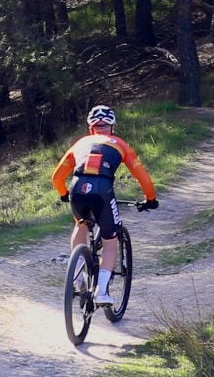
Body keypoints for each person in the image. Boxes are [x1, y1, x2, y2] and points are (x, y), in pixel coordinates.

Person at [50, 105, 158, 306]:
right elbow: (142, 176)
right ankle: (101, 292)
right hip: (102, 190)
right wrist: (150, 198)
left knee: (81, 224)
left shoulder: (80, 143)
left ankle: (77, 278)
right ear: (112, 127)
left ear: (91, 128)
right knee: (110, 240)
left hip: (77, 188)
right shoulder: (120, 144)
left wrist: (64, 194)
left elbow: (56, 178)